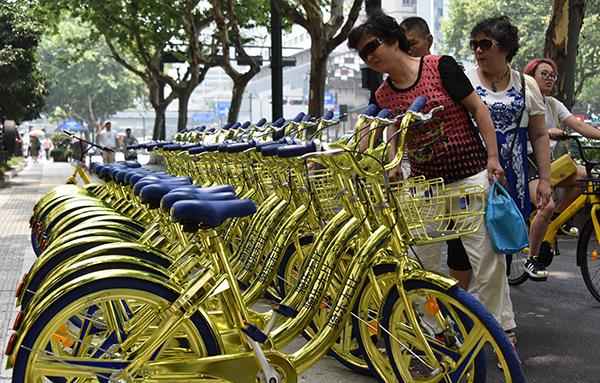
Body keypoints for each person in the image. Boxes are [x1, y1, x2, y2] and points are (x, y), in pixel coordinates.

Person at [347, 9, 517, 336]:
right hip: (425, 184)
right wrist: (393, 160)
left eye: (372, 47)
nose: (369, 57)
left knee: (486, 261)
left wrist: (492, 158)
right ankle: (434, 329)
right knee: (423, 262)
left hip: (469, 176)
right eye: (362, 54)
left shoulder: (440, 67)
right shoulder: (383, 93)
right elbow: (389, 127)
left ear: (394, 41)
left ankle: (503, 333)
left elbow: (478, 109)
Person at [465, 16, 553, 283]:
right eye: (474, 44)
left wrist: (545, 180)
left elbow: (539, 134)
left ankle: (494, 310)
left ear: (505, 47)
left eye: (485, 43)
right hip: (474, 173)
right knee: (472, 247)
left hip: (513, 175)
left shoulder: (527, 85)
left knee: (501, 243)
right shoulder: (465, 81)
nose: (478, 50)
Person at [524, 58, 600, 235]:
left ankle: (558, 218)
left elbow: (579, 126)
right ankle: (532, 257)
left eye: (553, 75)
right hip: (527, 164)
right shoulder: (522, 101)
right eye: (544, 74)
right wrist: (545, 132)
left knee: (588, 177)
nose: (549, 78)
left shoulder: (552, 103)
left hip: (547, 163)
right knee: (545, 205)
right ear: (530, 76)